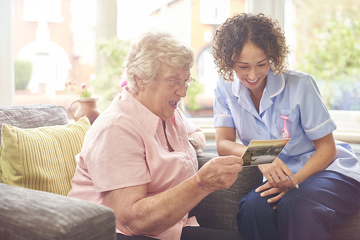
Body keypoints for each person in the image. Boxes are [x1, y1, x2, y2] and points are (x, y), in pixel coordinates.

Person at [67, 29, 243, 240]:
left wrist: (190, 145)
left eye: (186, 81)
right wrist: (201, 183)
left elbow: (196, 133)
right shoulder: (116, 128)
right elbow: (131, 220)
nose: (183, 92)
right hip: (117, 233)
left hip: (169, 229)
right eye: (173, 81)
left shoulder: (169, 112)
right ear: (141, 80)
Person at [212, 13, 360, 240]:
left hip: (329, 170)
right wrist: (263, 157)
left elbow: (326, 150)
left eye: (261, 64)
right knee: (254, 208)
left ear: (272, 56)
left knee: (298, 204)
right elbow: (223, 144)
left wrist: (294, 181)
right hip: (281, 177)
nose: (253, 75)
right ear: (229, 62)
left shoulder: (300, 85)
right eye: (243, 67)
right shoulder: (224, 89)